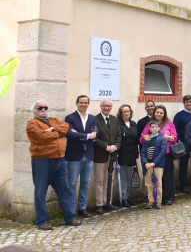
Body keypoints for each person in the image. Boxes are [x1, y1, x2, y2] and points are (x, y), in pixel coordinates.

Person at [27, 100, 81, 230]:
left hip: (60, 160)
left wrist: (53, 129)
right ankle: (42, 220)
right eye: (40, 108)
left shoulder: (54, 120)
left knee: (64, 190)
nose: (44, 110)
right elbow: (41, 136)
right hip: (43, 161)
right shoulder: (31, 124)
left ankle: (70, 217)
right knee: (40, 191)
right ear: (35, 111)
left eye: (45, 107)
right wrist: (58, 133)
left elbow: (66, 128)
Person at [65, 95, 97, 218]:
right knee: (72, 183)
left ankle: (82, 208)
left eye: (85, 102)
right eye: (81, 102)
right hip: (74, 155)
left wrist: (79, 134)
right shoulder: (70, 118)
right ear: (76, 103)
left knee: (85, 182)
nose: (83, 104)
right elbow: (69, 134)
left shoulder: (92, 118)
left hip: (88, 155)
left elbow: (96, 132)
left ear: (88, 104)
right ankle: (71, 209)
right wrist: (87, 136)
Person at [140, 105, 177, 205]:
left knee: (167, 176)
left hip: (167, 153)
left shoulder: (169, 123)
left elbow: (175, 137)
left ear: (164, 114)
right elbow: (142, 137)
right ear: (154, 113)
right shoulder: (149, 124)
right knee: (155, 178)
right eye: (157, 112)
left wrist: (170, 138)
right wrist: (145, 137)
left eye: (161, 113)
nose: (159, 114)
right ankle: (154, 199)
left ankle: (167, 198)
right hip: (153, 156)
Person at [93, 99, 122, 214]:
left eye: (109, 106)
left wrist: (116, 146)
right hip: (100, 154)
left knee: (110, 179)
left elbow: (119, 135)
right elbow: (94, 137)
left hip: (113, 154)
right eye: (104, 106)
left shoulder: (115, 119)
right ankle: (99, 204)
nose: (106, 108)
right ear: (101, 106)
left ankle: (108, 202)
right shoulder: (94, 119)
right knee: (100, 180)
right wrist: (106, 147)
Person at [117, 104, 139, 208]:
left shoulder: (133, 123)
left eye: (128, 111)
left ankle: (128, 196)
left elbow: (136, 137)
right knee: (123, 178)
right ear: (120, 113)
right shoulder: (118, 124)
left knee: (129, 177)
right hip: (122, 153)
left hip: (132, 153)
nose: (127, 113)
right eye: (124, 112)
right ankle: (123, 198)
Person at [140, 121, 166, 209]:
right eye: (152, 127)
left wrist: (154, 163)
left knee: (158, 183)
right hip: (148, 165)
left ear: (159, 128)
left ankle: (158, 201)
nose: (154, 128)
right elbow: (142, 152)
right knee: (148, 184)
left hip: (157, 165)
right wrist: (145, 163)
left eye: (156, 127)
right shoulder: (147, 139)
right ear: (150, 128)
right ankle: (150, 201)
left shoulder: (161, 139)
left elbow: (162, 152)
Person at [173, 95, 191, 193]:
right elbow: (175, 130)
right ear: (184, 103)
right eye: (187, 102)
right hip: (184, 144)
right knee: (183, 165)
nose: (189, 103)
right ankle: (183, 185)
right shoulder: (179, 115)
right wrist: (179, 141)